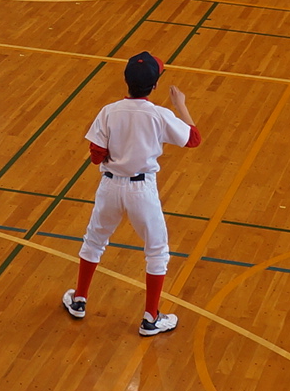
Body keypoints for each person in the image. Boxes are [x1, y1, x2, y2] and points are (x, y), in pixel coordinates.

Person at [62, 52, 201, 336]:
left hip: (111, 187)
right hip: (142, 190)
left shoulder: (109, 111)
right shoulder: (160, 115)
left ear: (126, 81)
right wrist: (181, 106)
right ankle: (150, 317)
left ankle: (79, 299)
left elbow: (96, 155)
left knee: (94, 241)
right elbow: (193, 139)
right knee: (156, 251)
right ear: (155, 86)